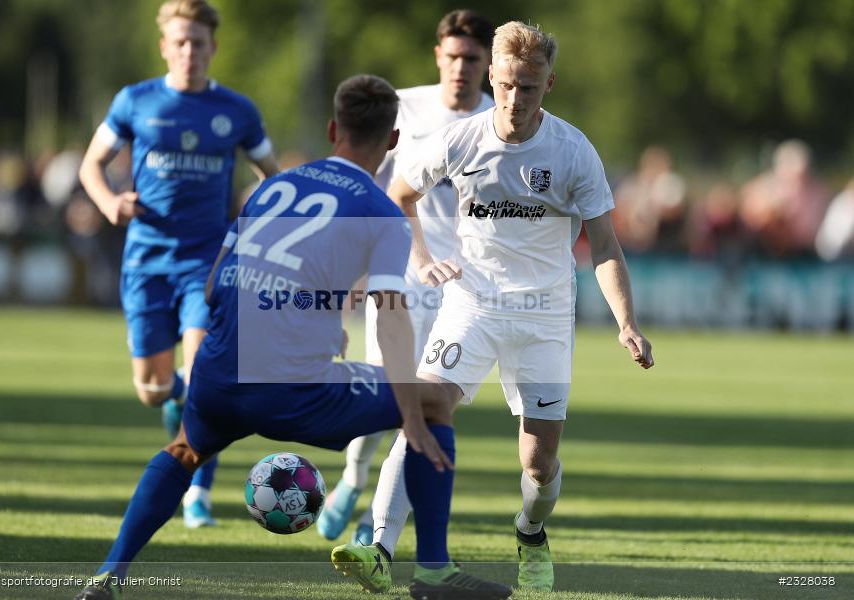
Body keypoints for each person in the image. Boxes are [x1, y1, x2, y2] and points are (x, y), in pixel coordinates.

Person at [73, 74, 512, 600]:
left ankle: (109, 576)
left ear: (332, 129)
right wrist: (412, 418)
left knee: (185, 449)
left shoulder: (275, 186)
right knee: (437, 401)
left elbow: (216, 281)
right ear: (393, 140)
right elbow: (392, 315)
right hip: (299, 391)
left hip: (219, 372)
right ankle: (434, 573)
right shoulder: (381, 212)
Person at [374, 21, 654, 592]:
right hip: (471, 304)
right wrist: (423, 258)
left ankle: (529, 531)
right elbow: (398, 197)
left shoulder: (574, 151)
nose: (514, 99)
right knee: (424, 412)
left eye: (528, 87)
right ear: (492, 79)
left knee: (538, 464)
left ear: (549, 83)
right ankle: (377, 546)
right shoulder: (462, 139)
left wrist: (626, 323)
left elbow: (603, 245)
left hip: (544, 315)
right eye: (505, 85)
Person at [78, 0, 280, 528]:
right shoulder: (134, 101)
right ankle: (172, 406)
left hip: (206, 263)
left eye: (199, 42)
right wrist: (108, 203)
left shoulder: (236, 110)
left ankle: (196, 494)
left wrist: (255, 223)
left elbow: (272, 175)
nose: (190, 51)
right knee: (152, 390)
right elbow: (90, 165)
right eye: (181, 42)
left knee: (203, 376)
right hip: (145, 263)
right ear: (165, 46)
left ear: (213, 47)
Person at [317, 8, 495, 548]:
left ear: (487, 64)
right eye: (452, 56)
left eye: (471, 58)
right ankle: (352, 477)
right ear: (437, 56)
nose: (460, 67)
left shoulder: (501, 122)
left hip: (462, 291)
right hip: (398, 272)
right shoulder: (404, 107)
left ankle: (380, 532)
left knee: (416, 406)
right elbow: (365, 184)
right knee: (381, 398)